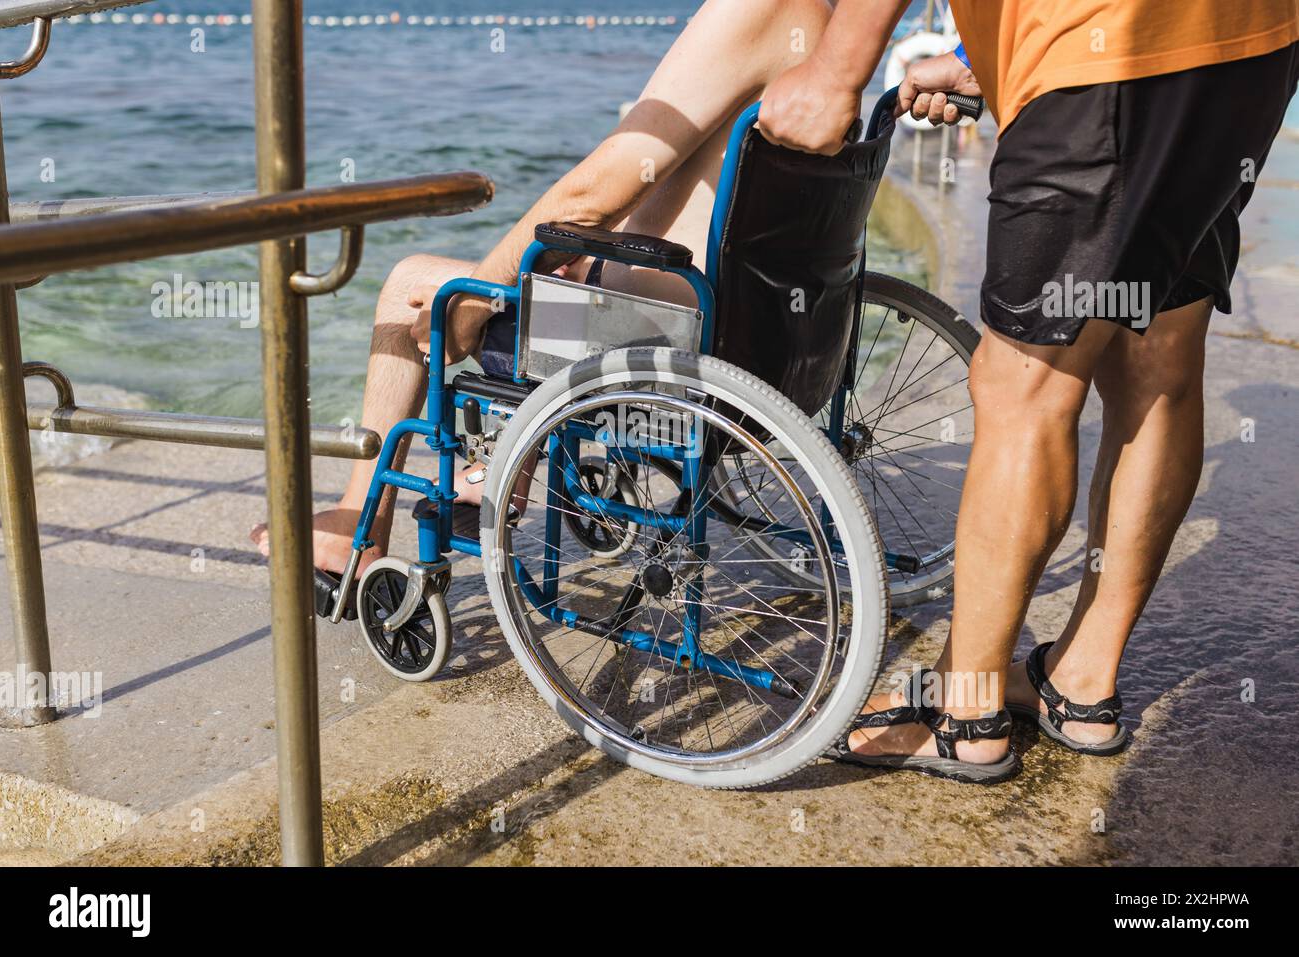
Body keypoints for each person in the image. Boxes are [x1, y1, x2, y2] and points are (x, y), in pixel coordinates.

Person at [761, 0, 1299, 781]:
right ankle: (1080, 683)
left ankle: (963, 709)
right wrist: (991, 60)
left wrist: (836, 69)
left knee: (1024, 382)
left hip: (1101, 57)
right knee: (1157, 360)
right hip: (1243, 46)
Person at [249, 0, 841, 577]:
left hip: (671, 345)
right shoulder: (829, 26)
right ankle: (497, 466)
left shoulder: (755, 9)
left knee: (416, 283)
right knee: (546, 280)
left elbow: (596, 192)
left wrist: (474, 303)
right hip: (763, 338)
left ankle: (359, 525)